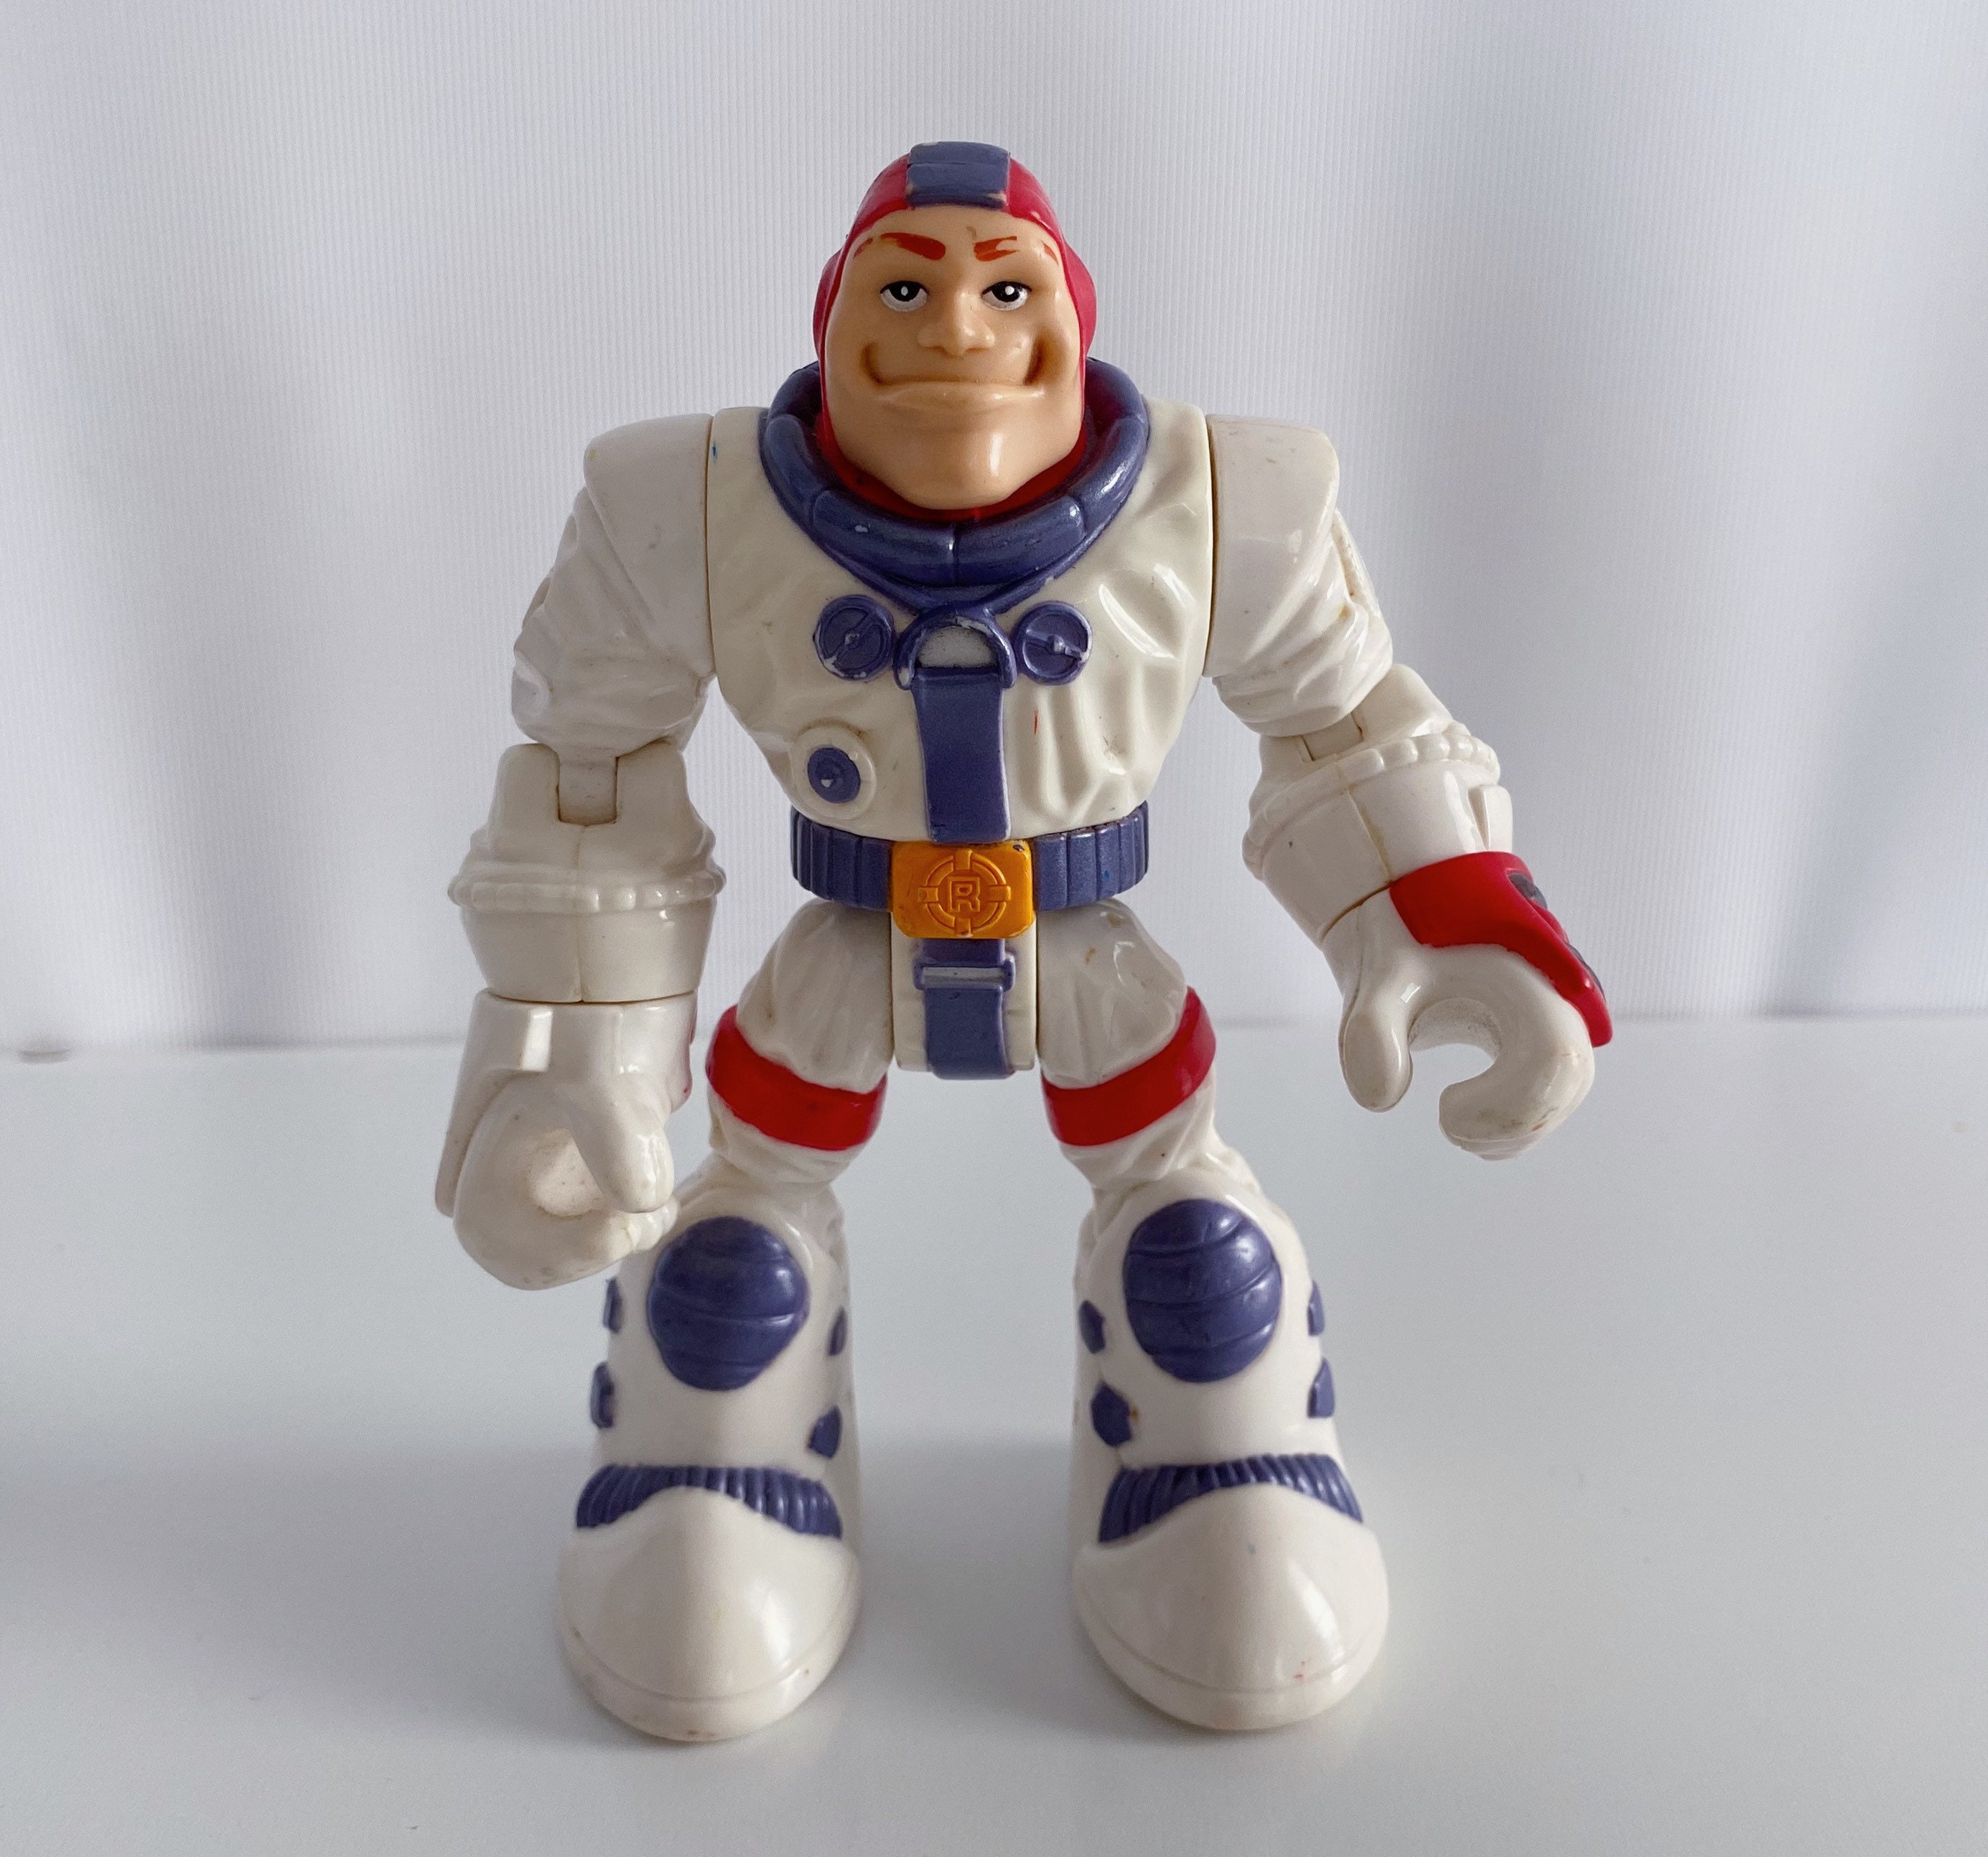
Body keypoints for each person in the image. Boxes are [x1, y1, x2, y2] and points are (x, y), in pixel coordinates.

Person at [436, 141, 1610, 1740]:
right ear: (833, 315)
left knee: (1182, 1212)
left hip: (1086, 948)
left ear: (1071, 314)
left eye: (1003, 289)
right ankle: (719, 1434)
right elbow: (591, 779)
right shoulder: (686, 511)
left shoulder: (1224, 506)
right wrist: (575, 1066)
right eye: (904, 288)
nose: (956, 329)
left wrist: (1451, 912)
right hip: (848, 940)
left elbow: (1346, 725)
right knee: (737, 1217)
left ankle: (1217, 1430)